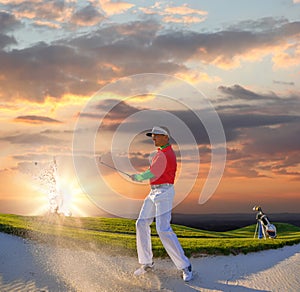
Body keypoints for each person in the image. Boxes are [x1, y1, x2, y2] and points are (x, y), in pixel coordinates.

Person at [131, 126, 193, 282]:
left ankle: (185, 266)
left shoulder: (167, 154)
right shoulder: (160, 153)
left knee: (163, 228)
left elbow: (154, 172)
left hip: (164, 192)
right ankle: (147, 263)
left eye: (156, 136)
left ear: (166, 137)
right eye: (152, 136)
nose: (153, 138)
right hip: (153, 192)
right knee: (141, 223)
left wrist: (139, 177)